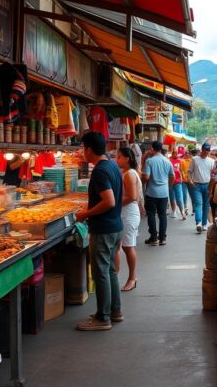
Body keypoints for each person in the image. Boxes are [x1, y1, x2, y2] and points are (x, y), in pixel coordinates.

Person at [75, 132, 123, 331]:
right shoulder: (112, 165)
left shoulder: (100, 171)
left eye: (82, 148)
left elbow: (109, 201)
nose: (81, 152)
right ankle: (115, 311)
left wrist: (85, 214)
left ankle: (103, 318)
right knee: (110, 270)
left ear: (89, 149)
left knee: (100, 272)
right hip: (115, 226)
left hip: (103, 229)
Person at [116, 147, 143, 292]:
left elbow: (132, 196)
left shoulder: (128, 175)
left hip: (128, 214)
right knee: (125, 246)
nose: (117, 159)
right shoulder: (129, 173)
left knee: (128, 246)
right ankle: (128, 277)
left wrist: (113, 202)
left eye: (119, 157)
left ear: (127, 158)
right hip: (127, 213)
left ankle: (132, 278)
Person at [141, 141, 175, 246]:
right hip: (164, 193)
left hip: (151, 192)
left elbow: (146, 177)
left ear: (152, 148)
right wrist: (168, 185)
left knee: (151, 214)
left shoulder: (150, 161)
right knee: (162, 215)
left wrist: (142, 178)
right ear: (161, 149)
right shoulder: (167, 161)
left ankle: (154, 237)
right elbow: (172, 176)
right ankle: (162, 238)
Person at [189, 143, 216, 233]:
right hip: (197, 185)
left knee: (206, 205)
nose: (206, 152)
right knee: (198, 203)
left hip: (208, 185)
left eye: (208, 150)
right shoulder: (194, 159)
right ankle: (199, 223)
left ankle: (204, 224)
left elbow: (213, 174)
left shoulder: (211, 161)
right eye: (205, 150)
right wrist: (190, 179)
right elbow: (189, 171)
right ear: (202, 149)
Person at [169, 149, 187, 219]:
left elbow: (183, 171)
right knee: (172, 197)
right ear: (172, 154)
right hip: (170, 182)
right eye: (174, 153)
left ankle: (182, 212)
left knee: (179, 198)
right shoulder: (169, 160)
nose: (175, 155)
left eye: (176, 153)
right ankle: (174, 211)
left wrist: (183, 178)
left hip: (178, 182)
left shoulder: (180, 161)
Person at [179, 150, 192, 217]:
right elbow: (180, 170)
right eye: (186, 153)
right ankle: (185, 207)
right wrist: (183, 176)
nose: (187, 155)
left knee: (192, 195)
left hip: (190, 180)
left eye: (188, 153)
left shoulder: (192, 161)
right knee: (184, 195)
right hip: (184, 181)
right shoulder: (182, 161)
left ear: (190, 154)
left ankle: (193, 210)